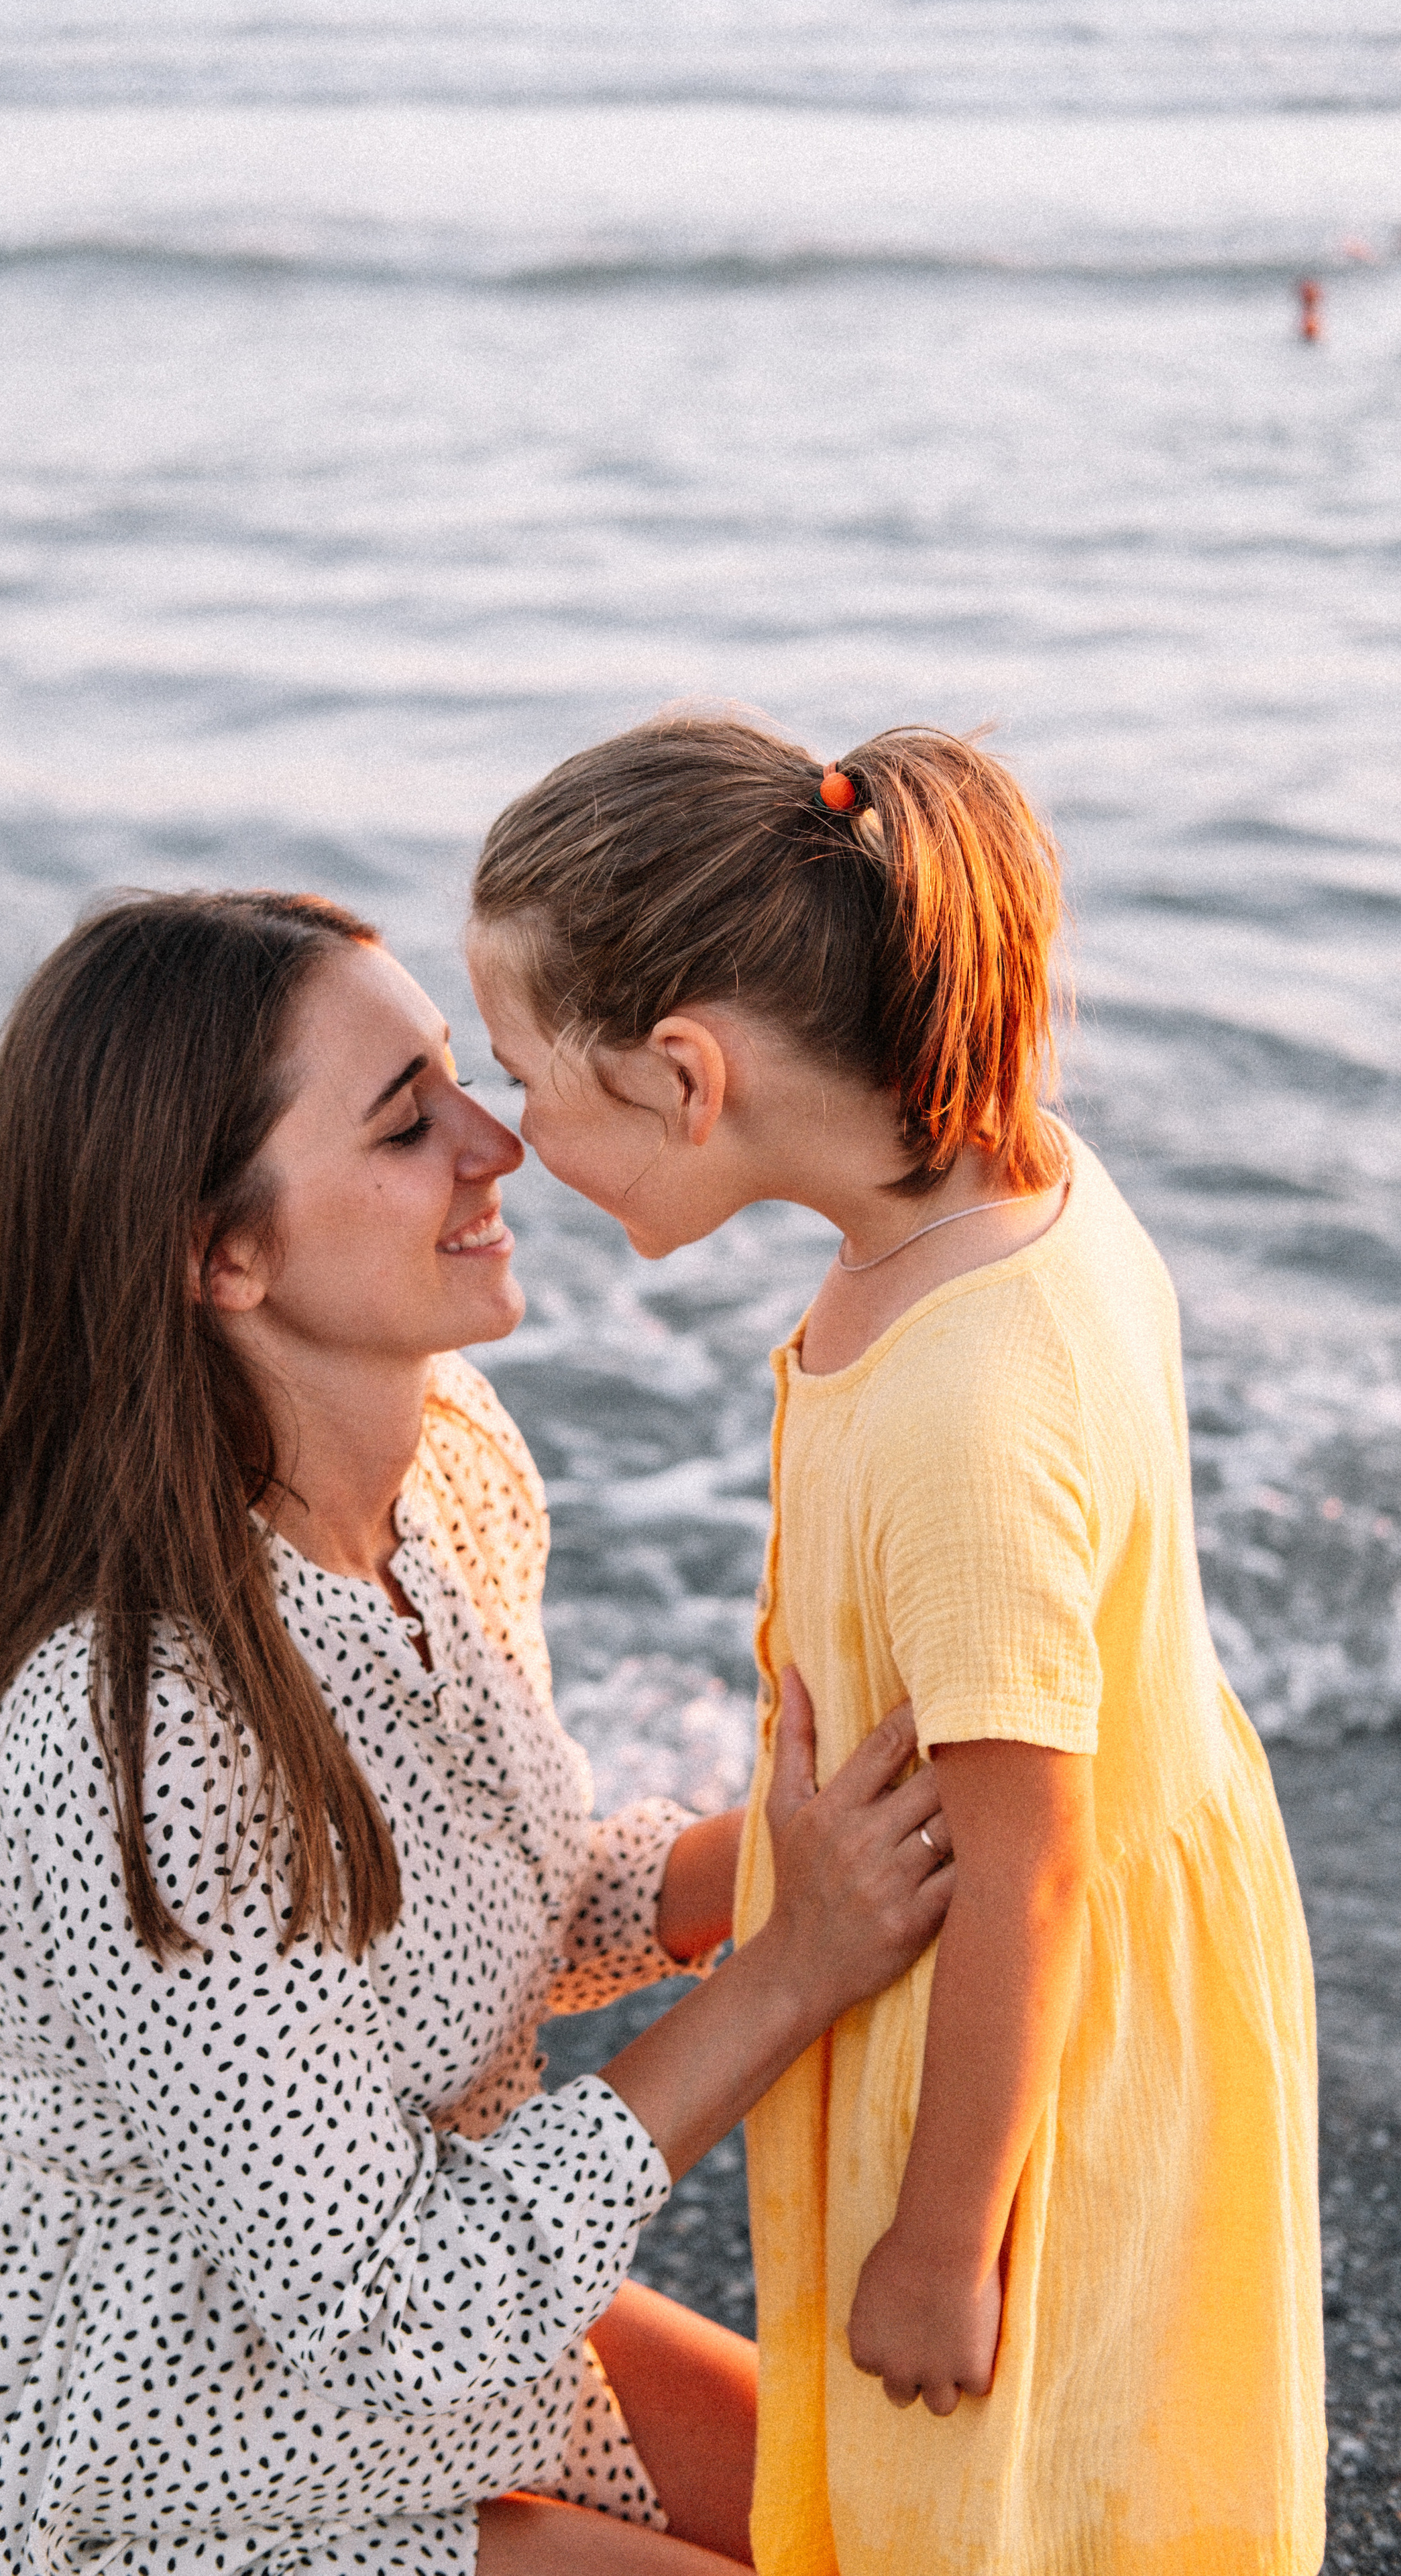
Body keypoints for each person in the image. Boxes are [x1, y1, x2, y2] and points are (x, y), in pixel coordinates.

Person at [0, 888, 956, 2576]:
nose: (499, 1142)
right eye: (409, 1122)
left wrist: (779, 1861)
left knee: (922, 2534)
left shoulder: (455, 1460)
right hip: (115, 2458)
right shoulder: (130, 1733)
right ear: (220, 1251)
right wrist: (786, 1976)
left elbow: (504, 1908)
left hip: (434, 2315)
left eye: (458, 1081)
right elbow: (389, 2305)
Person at [467, 717, 1326, 2576]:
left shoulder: (966, 1403)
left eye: (530, 1075)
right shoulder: (999, 1197)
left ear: (688, 1073)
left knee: (1000, 2474)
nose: (509, 1136)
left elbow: (1030, 1862)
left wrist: (947, 2240)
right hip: (1049, 1957)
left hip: (1029, 2028)